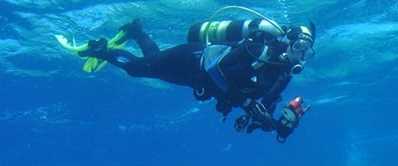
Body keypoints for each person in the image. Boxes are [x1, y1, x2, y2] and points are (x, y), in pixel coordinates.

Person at [69, 17, 314, 142]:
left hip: (196, 80)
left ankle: (136, 30)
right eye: (300, 47)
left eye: (307, 51)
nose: (302, 55)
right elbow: (215, 67)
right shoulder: (258, 49)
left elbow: (261, 109)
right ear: (288, 42)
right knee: (138, 68)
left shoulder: (282, 75)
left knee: (153, 61)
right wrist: (244, 101)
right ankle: (100, 49)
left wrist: (279, 125)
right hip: (191, 60)